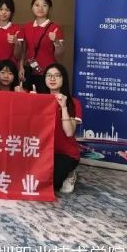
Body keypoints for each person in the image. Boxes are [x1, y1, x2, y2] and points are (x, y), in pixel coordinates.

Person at [44, 63, 82, 193]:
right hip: (44, 151)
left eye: (57, 76)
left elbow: (69, 132)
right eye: (49, 75)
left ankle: (71, 173)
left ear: (63, 78)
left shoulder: (73, 102)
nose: (52, 79)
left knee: (52, 184)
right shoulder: (40, 99)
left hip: (65, 153)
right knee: (36, 180)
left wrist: (64, 107)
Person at [21, 0, 64, 92]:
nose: (40, 8)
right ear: (32, 7)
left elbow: (60, 55)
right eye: (37, 5)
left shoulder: (55, 28)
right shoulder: (26, 27)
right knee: (28, 98)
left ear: (49, 9)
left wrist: (56, 41)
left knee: (44, 98)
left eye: (44, 5)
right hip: (29, 72)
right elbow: (23, 51)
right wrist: (21, 67)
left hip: (47, 73)